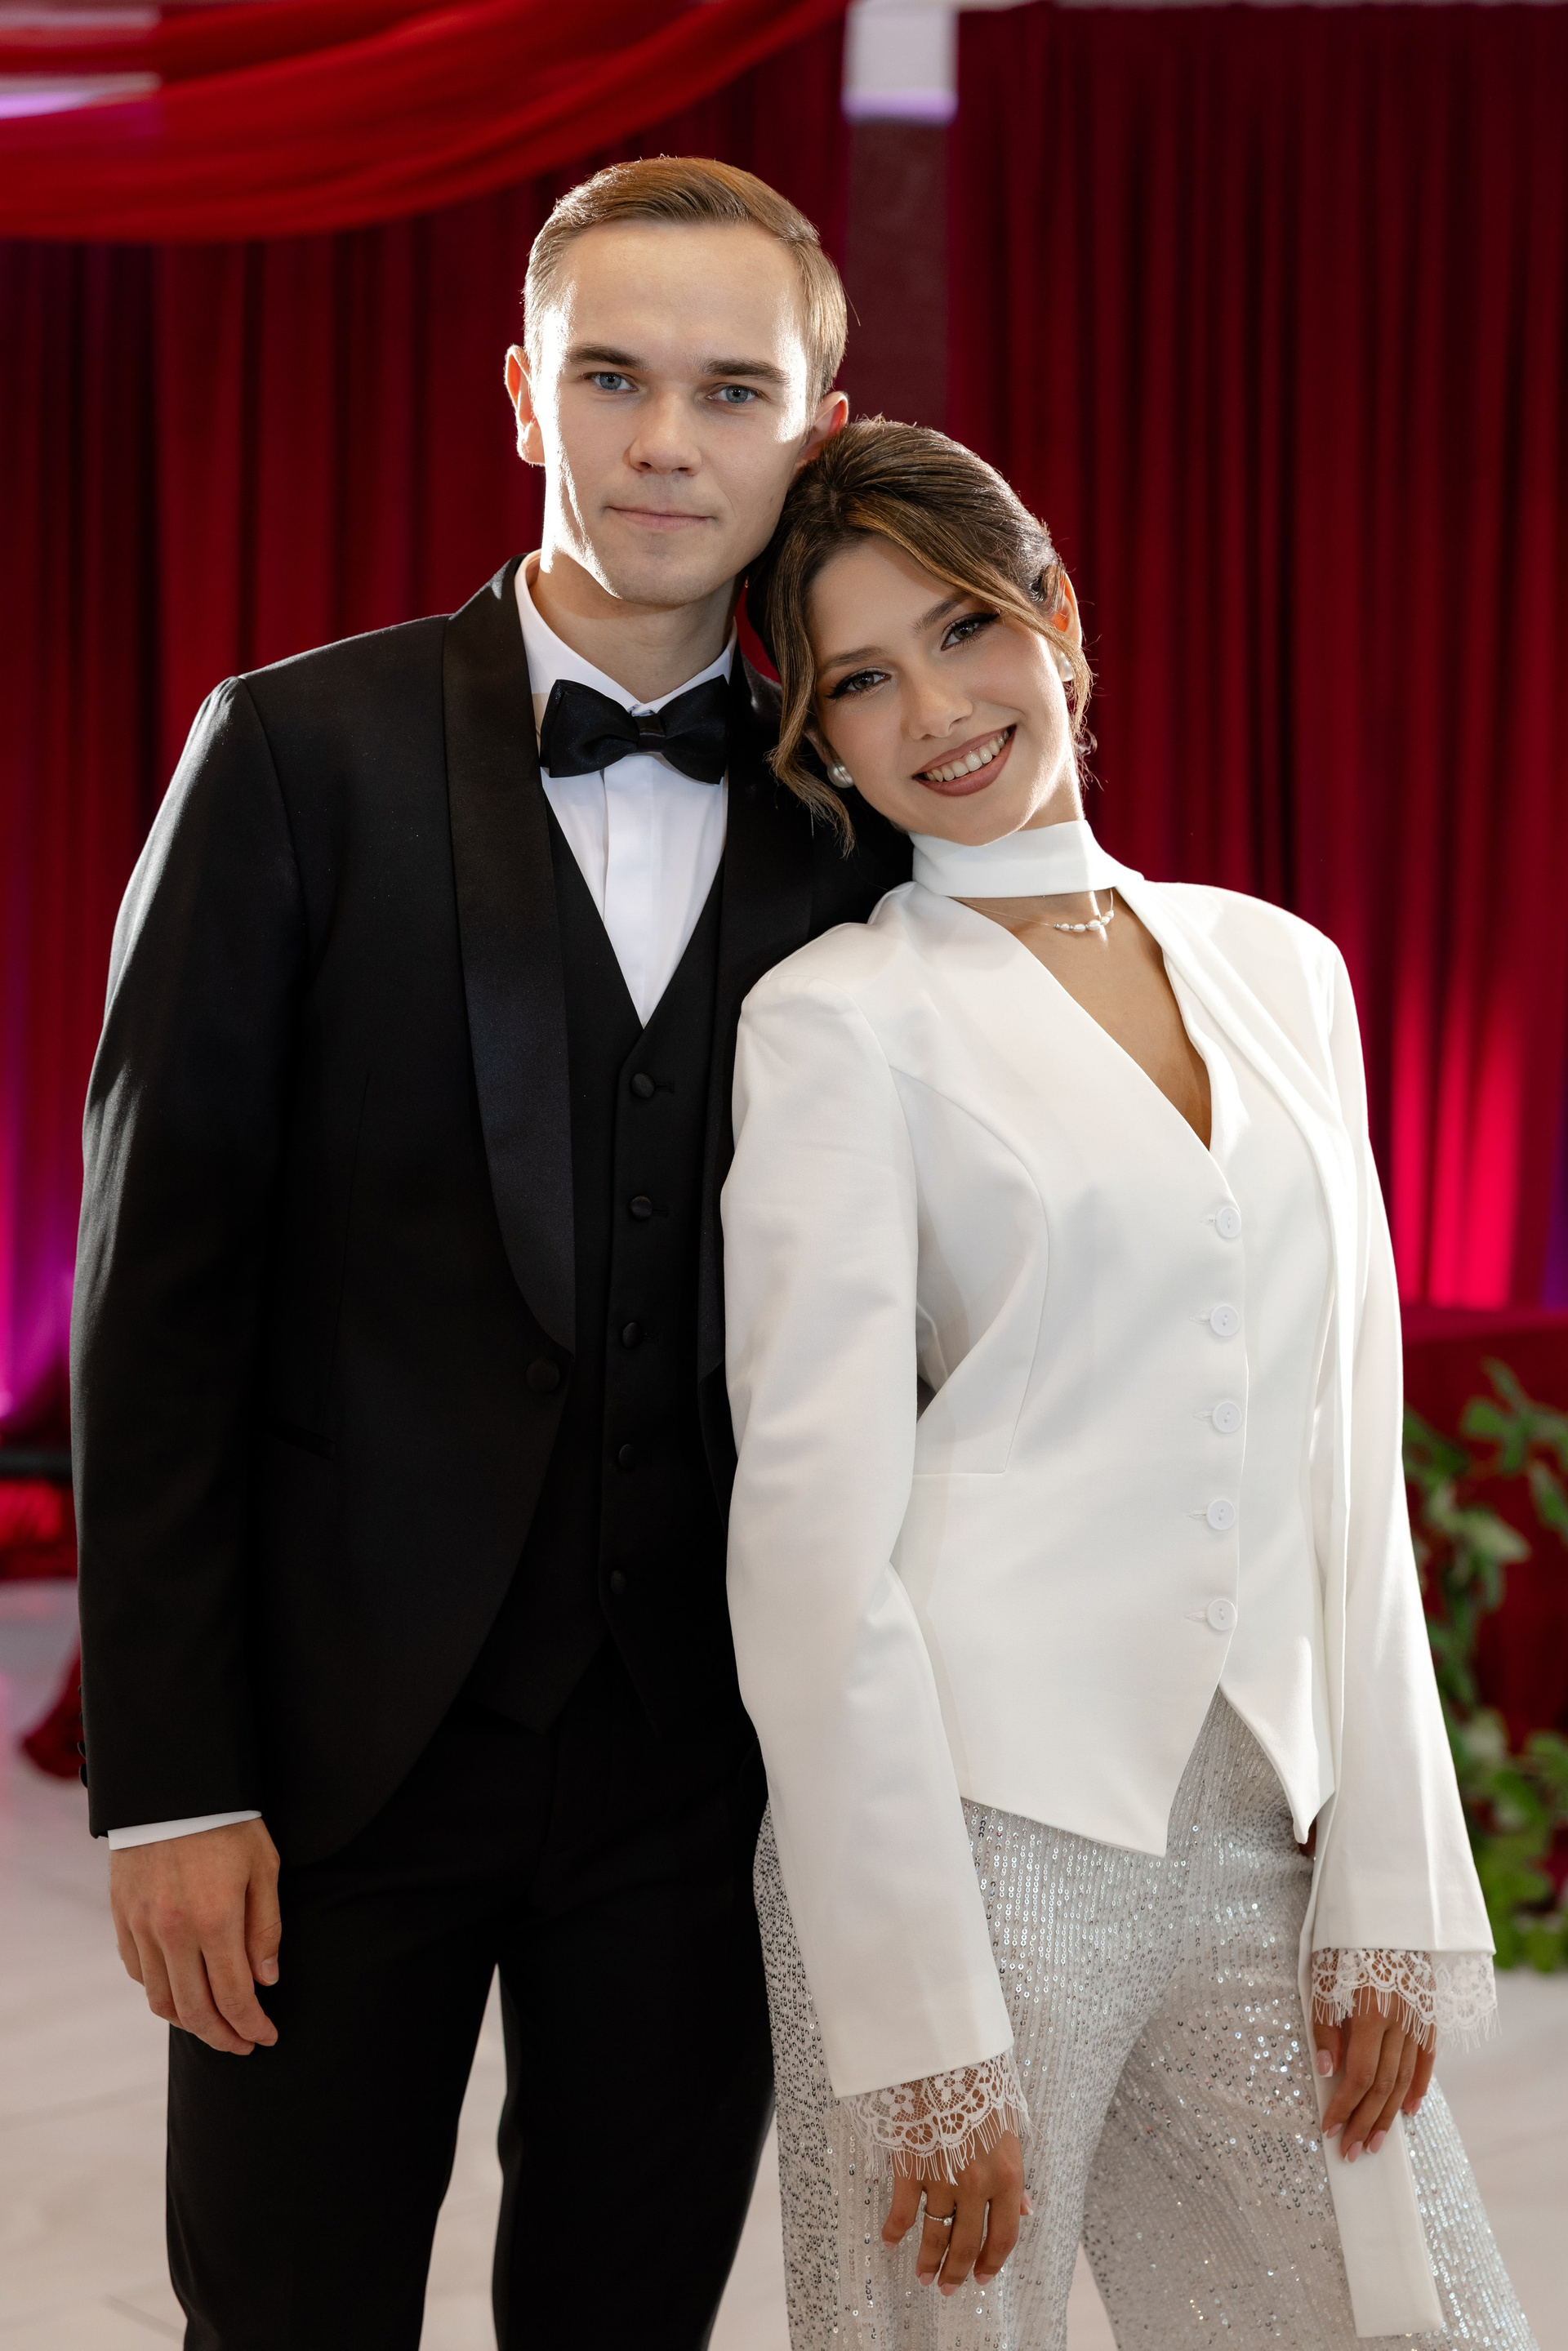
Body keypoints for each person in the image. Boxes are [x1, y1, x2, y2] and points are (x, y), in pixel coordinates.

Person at [71, 161, 908, 2349]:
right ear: (523, 394)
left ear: (816, 431)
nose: (666, 444)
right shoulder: (292, 755)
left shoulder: (861, 829)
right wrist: (175, 1784)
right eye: (612, 379)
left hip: (704, 1778)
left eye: (732, 392)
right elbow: (157, 1310)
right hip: (332, 1768)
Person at [723, 421, 1533, 2350]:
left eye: (961, 630)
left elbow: (1348, 1443)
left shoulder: (1285, 971)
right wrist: (914, 2012)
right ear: (823, 740)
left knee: (1418, 2319)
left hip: (1265, 1823)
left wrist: (1390, 1872)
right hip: (969, 1838)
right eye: (862, 680)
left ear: (1058, 616)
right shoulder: (836, 1022)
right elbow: (810, 1551)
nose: (937, 710)